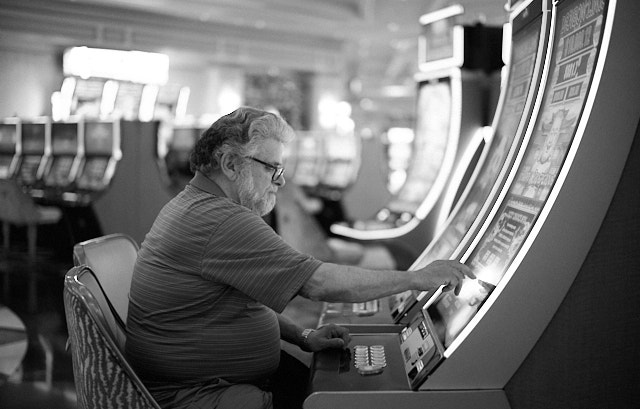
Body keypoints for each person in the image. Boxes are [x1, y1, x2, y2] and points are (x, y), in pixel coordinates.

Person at [125, 107, 475, 409]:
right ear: (231, 164)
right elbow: (317, 282)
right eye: (271, 169)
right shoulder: (220, 220)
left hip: (217, 380)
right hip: (199, 394)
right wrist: (415, 279)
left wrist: (304, 336)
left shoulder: (196, 206)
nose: (280, 181)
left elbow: (238, 307)